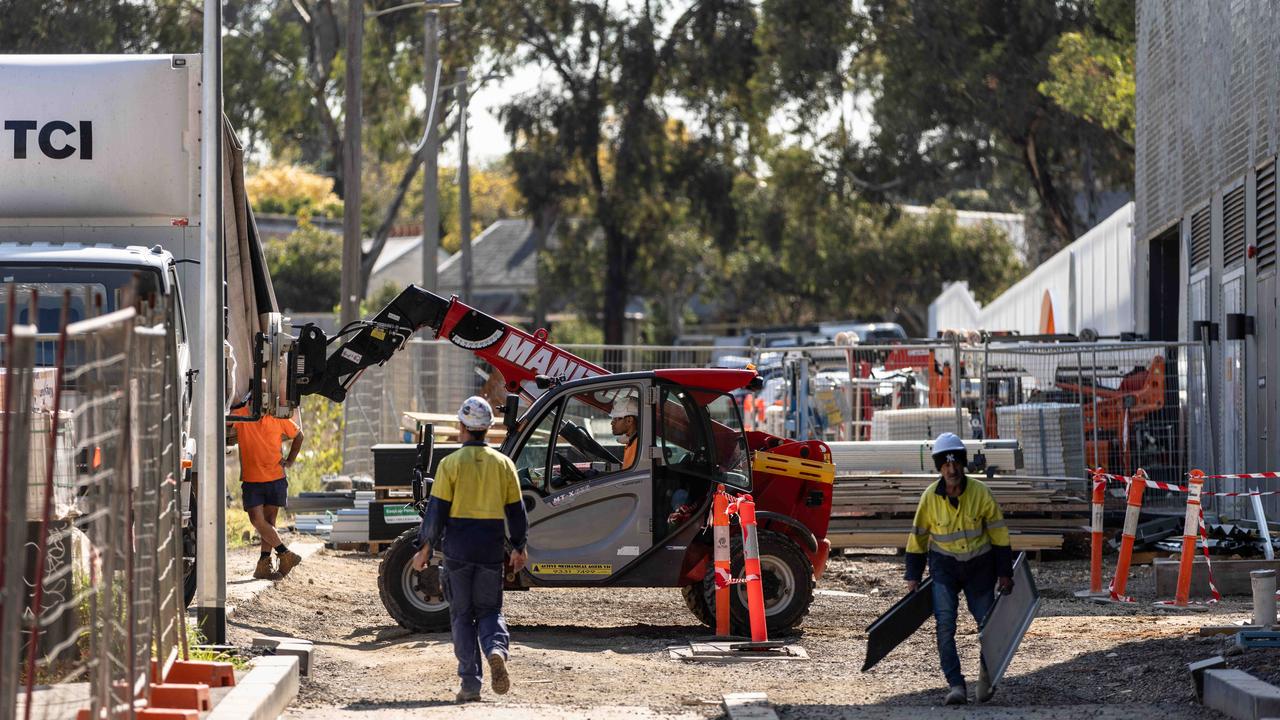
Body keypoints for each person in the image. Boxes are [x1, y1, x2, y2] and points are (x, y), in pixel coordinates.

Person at [413, 396, 529, 704]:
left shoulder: (449, 464)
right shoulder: (504, 465)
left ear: (463, 427)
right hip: (491, 550)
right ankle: (495, 649)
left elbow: (435, 513)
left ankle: (470, 684)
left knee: (462, 616)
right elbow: (516, 513)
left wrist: (424, 548)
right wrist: (519, 547)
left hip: (458, 552)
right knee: (490, 611)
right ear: (488, 429)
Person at [904, 432, 1013, 706]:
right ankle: (956, 685)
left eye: (955, 464)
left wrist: (1005, 573)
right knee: (945, 626)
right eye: (945, 464)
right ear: (939, 467)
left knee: (988, 625)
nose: (951, 470)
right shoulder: (929, 498)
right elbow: (917, 537)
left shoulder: (981, 494)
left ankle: (987, 676)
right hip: (944, 568)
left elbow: (999, 536)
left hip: (980, 568)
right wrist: (913, 576)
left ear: (962, 464)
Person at [229, 403, 305, 580]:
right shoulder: (241, 415)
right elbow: (224, 422)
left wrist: (290, 460)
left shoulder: (277, 417)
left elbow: (299, 435)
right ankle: (284, 553)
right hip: (252, 479)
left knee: (269, 523)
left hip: (275, 478)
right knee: (257, 520)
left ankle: (263, 564)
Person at [610, 397, 640, 469]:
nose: (612, 423)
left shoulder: (638, 446)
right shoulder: (632, 442)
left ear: (629, 420)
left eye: (615, 419)